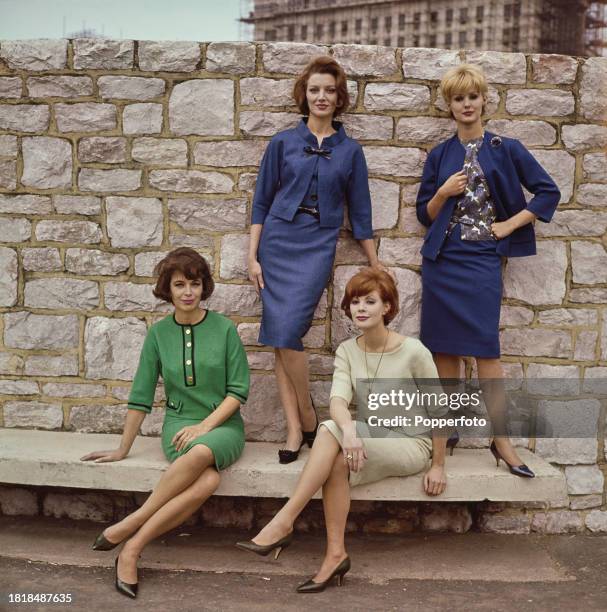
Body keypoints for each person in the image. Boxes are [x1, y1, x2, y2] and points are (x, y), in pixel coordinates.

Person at [237, 268, 449, 593]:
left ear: (387, 307)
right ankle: (335, 555)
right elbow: (338, 400)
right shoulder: (348, 350)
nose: (360, 308)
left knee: (330, 431)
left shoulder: (413, 351)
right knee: (336, 455)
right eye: (354, 302)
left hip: (412, 444)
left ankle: (284, 521)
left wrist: (438, 465)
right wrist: (349, 432)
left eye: (370, 301)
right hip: (368, 437)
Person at [416, 64, 560, 477]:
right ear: (450, 106)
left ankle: (501, 441)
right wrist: (442, 192)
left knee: (485, 352)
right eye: (458, 98)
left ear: (484, 100)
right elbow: (426, 216)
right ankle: (452, 428)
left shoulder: (506, 147)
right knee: (444, 350)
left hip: (482, 259)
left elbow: (549, 191)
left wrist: (509, 226)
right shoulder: (440, 154)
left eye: (472, 97)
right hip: (442, 260)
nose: (466, 104)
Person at [81, 248, 249, 599]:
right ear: (167, 290)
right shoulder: (158, 335)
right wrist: (121, 448)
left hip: (224, 425)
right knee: (208, 480)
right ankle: (131, 549)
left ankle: (131, 530)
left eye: (195, 283)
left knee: (203, 451)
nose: (188, 291)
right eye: (179, 284)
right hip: (177, 425)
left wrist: (205, 427)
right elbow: (141, 394)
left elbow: (238, 391)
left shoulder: (225, 330)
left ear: (204, 288)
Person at [248, 55, 386, 464]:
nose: (321, 97)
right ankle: (297, 427)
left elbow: (360, 214)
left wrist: (374, 264)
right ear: (304, 96)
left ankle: (308, 416)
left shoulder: (350, 151)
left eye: (329, 90)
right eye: (314, 90)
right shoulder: (282, 143)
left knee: (288, 332)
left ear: (339, 97)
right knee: (280, 338)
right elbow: (260, 201)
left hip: (316, 247)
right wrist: (252, 256)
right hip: (276, 243)